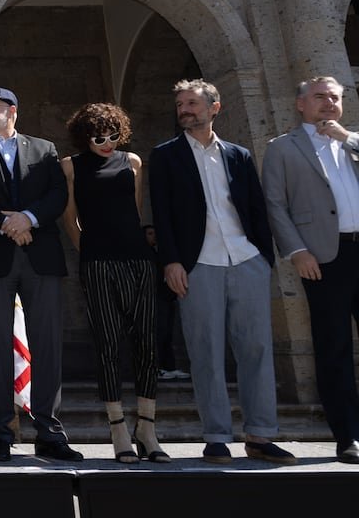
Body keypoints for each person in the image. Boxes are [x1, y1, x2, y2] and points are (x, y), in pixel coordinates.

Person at [150, 79, 295, 465]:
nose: (185, 109)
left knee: (257, 349)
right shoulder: (165, 156)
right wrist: (172, 261)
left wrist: (264, 256)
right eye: (180, 103)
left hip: (246, 260)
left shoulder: (239, 154)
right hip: (198, 265)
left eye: (192, 103)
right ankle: (216, 435)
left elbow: (255, 207)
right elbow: (161, 215)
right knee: (205, 352)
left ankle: (261, 435)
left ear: (214, 108)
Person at [0, 85, 82, 463]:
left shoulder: (44, 149)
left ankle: (49, 431)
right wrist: (10, 224)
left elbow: (56, 196)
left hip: (40, 258)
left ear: (12, 111)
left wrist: (28, 218)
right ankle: (1, 434)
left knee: (46, 346)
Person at [60, 103, 166, 464]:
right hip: (97, 262)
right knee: (108, 344)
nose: (106, 143)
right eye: (98, 137)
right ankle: (118, 427)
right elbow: (70, 218)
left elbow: (135, 211)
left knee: (147, 343)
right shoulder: (71, 166)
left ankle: (147, 428)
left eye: (113, 136)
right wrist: (89, 251)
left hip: (138, 259)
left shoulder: (133, 162)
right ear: (84, 137)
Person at [262, 76, 359, 464]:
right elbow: (274, 204)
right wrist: (297, 250)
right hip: (323, 258)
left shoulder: (353, 142)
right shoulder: (283, 148)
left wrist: (347, 138)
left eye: (334, 97)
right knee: (333, 347)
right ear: (300, 104)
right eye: (320, 97)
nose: (329, 103)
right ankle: (348, 435)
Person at [145, 224, 189, 381]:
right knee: (159, 332)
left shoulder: (159, 253)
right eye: (150, 233)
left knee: (167, 333)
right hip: (155, 298)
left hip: (167, 297)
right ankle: (157, 367)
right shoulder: (146, 255)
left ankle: (169, 366)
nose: (153, 236)